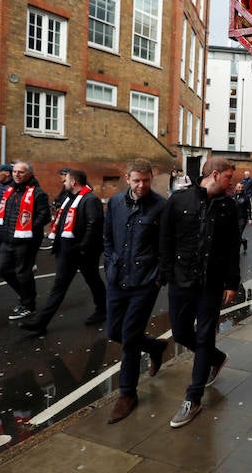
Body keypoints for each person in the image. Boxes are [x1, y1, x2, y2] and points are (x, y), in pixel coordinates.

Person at [160, 156, 240, 429]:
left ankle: (193, 398)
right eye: (230, 177)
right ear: (215, 175)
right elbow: (166, 239)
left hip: (212, 283)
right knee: (181, 333)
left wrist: (231, 282)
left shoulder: (229, 207)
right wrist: (168, 273)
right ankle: (216, 358)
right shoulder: (179, 200)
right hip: (181, 281)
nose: (233, 183)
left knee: (205, 335)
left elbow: (232, 247)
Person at [103, 159, 169, 424]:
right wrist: (110, 263)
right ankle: (155, 347)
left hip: (145, 283)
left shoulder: (160, 206)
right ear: (127, 178)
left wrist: (158, 278)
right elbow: (107, 237)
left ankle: (127, 394)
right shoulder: (116, 203)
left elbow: (167, 245)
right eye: (137, 180)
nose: (142, 185)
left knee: (129, 338)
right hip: (118, 278)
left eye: (146, 180)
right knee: (114, 332)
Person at [20, 169, 107, 335]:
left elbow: (93, 225)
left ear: (74, 182)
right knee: (64, 285)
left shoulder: (90, 200)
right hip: (67, 251)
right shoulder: (69, 199)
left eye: (65, 181)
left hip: (82, 252)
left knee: (91, 280)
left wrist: (82, 247)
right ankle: (41, 322)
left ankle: (102, 309)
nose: (63, 183)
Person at [0, 160, 51, 321]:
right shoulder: (10, 190)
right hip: (7, 238)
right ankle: (26, 295)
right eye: (14, 172)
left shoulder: (37, 193)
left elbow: (45, 216)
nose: (17, 175)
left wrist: (28, 229)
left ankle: (28, 305)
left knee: (23, 273)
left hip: (26, 241)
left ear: (29, 174)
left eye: (21, 172)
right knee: (2, 270)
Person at [233, 181, 252, 253]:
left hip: (242, 218)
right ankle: (244, 241)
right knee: (234, 234)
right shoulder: (232, 196)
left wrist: (251, 218)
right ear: (236, 187)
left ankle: (236, 250)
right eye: (239, 187)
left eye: (242, 187)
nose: (240, 189)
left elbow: (250, 208)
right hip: (234, 218)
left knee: (238, 234)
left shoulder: (246, 197)